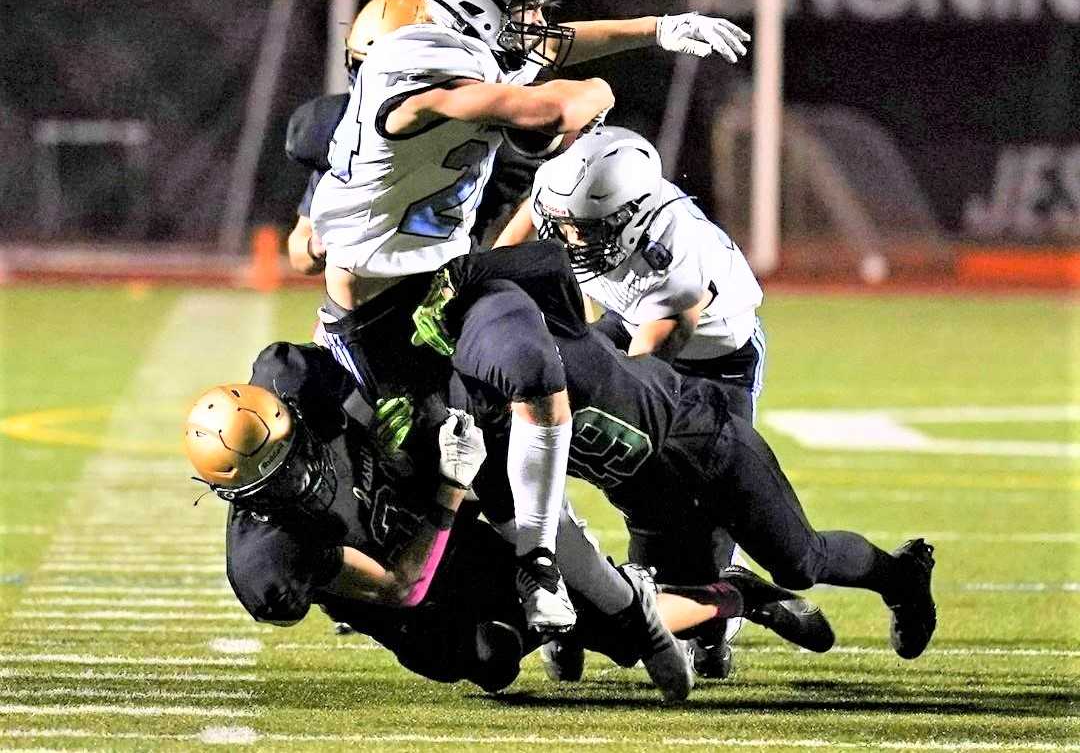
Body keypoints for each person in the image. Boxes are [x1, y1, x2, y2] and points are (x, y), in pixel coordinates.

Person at [308, 0, 751, 636]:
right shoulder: (417, 67)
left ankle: (542, 560)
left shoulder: (472, 44)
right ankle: (388, 589)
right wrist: (599, 93)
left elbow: (557, 46)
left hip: (442, 280)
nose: (539, 22)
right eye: (525, 4)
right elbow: (553, 103)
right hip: (377, 312)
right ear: (477, 0)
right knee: (430, 458)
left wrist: (660, 28)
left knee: (536, 352)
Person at [182, 340, 827, 700]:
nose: (300, 469)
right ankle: (585, 612)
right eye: (278, 471)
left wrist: (420, 435)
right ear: (236, 492)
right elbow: (397, 585)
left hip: (449, 515)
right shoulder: (268, 560)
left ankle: (738, 596)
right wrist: (449, 487)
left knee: (623, 636)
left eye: (293, 448)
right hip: (414, 603)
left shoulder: (293, 381)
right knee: (491, 661)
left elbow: (380, 380)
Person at [410, 241, 938, 665]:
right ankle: (735, 594)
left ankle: (900, 575)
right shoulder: (490, 413)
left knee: (800, 562)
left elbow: (549, 259)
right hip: (645, 494)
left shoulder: (549, 339)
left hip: (712, 452)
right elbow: (528, 519)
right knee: (636, 626)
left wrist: (465, 268)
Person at [495, 126, 765, 677]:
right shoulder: (567, 186)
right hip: (629, 321)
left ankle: (719, 612)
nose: (570, 240)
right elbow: (531, 218)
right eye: (565, 225)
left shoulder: (677, 260)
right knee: (532, 422)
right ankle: (576, 580)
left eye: (586, 230)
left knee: (703, 497)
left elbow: (639, 384)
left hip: (714, 362)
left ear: (636, 218)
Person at [285, 0, 430, 275]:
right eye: (368, 69)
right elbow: (298, 249)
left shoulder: (476, 129)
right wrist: (319, 245)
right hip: (365, 300)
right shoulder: (347, 137)